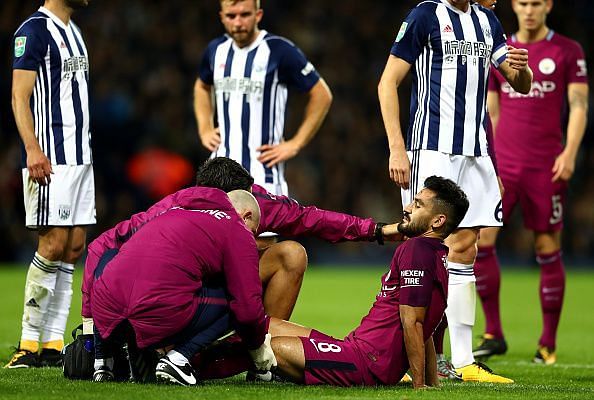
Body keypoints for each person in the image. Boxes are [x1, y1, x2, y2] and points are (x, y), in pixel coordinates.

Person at [378, 0, 533, 383]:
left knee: (466, 247)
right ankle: (401, 354)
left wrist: (523, 67)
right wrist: (397, 147)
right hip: (431, 148)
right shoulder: (425, 14)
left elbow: (520, 84)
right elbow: (387, 82)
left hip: (476, 151)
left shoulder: (486, 20)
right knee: (421, 245)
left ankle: (463, 362)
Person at [193, 176, 469, 388]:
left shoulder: (415, 250)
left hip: (366, 363)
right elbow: (427, 327)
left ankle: (193, 365)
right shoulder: (437, 255)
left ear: (438, 221)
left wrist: (420, 386)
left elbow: (414, 323)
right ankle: (193, 357)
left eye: (418, 205)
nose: (408, 208)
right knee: (266, 325)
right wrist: (432, 384)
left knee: (267, 347)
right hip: (356, 350)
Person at [81, 157, 401, 335]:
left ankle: (255, 350)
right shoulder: (178, 205)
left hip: (201, 289)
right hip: (174, 295)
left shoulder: (253, 203)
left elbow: (313, 220)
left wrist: (374, 231)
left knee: (291, 253)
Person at [473, 0, 589, 365]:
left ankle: (547, 343)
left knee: (546, 244)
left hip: (545, 165)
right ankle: (494, 333)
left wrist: (569, 152)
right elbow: (492, 110)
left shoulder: (567, 51)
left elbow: (579, 104)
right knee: (482, 238)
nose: (529, 10)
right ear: (514, 5)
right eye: (523, 3)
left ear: (549, 5)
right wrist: (487, 158)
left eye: (536, 3)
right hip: (503, 164)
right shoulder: (500, 48)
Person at [91, 189, 276, 385]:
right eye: (253, 231)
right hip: (154, 313)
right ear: (246, 215)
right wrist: (258, 352)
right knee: (236, 299)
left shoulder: (173, 210)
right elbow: (247, 309)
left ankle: (102, 363)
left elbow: (106, 255)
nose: (252, 239)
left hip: (106, 313)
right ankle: (178, 359)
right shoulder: (236, 227)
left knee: (114, 266)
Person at [6, 0, 94, 369]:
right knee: (52, 243)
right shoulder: (33, 31)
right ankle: (28, 343)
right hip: (50, 158)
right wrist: (32, 148)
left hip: (81, 158)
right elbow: (18, 96)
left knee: (73, 248)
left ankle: (54, 342)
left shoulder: (74, 30)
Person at [193, 0, 332, 200]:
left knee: (266, 232)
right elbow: (201, 86)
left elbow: (321, 94)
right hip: (219, 175)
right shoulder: (216, 50)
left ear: (258, 15)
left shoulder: (280, 51)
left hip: (263, 176)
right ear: (222, 17)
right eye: (232, 16)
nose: (238, 22)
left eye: (245, 15)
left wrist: (296, 143)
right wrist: (205, 127)